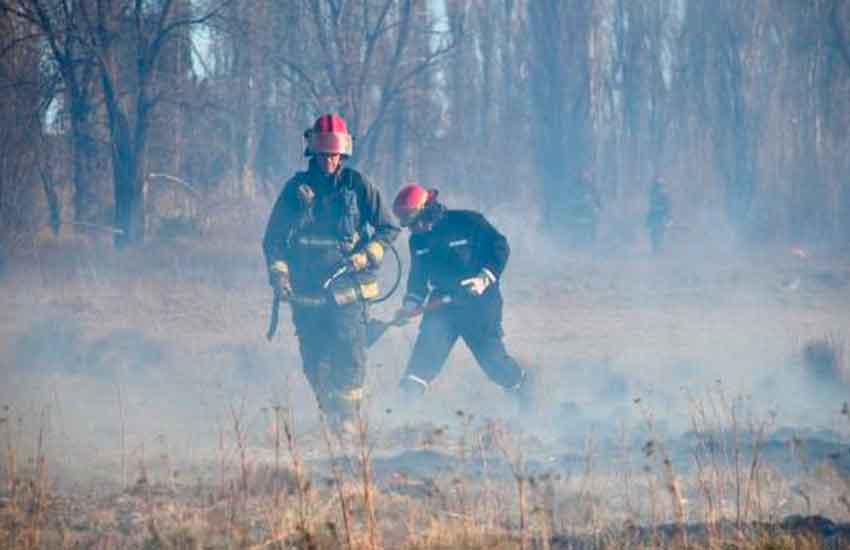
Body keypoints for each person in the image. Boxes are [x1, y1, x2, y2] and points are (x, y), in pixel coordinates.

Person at [262, 113, 399, 429]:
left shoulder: (358, 186)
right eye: (324, 155)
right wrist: (279, 275)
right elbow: (274, 240)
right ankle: (329, 412)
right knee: (314, 361)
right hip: (307, 292)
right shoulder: (296, 190)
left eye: (335, 155)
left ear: (344, 154)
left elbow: (388, 228)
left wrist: (368, 255)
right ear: (313, 153)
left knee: (348, 354)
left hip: (349, 290)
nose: (329, 161)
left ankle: (348, 422)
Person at [391, 183, 534, 411]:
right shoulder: (417, 241)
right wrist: (410, 304)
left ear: (427, 210)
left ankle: (525, 392)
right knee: (419, 368)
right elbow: (418, 277)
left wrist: (484, 278)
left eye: (415, 223)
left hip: (478, 303)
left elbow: (500, 246)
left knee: (494, 364)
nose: (413, 229)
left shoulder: (468, 222)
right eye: (409, 226)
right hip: (442, 307)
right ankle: (401, 419)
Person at [645, 176, 672, 254]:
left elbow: (667, 207)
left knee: (659, 234)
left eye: (658, 185)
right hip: (655, 217)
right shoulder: (653, 194)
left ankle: (658, 249)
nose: (657, 188)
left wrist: (668, 217)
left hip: (660, 217)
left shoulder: (663, 194)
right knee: (655, 234)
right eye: (656, 185)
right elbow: (651, 207)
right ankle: (656, 249)